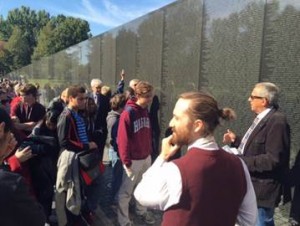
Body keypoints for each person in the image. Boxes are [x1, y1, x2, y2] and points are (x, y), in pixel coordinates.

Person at [134, 91, 257, 226]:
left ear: (197, 125)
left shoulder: (176, 170)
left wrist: (162, 157)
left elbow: (141, 194)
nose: (171, 123)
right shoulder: (239, 165)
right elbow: (249, 220)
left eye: (177, 118)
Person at [223, 82, 290, 226]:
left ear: (264, 101)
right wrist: (236, 140)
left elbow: (273, 159)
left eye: (252, 96)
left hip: (262, 190)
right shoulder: (262, 118)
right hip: (252, 186)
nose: (249, 99)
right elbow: (257, 145)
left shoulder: (277, 121)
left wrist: (239, 160)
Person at [56, 85, 100, 225]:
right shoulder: (66, 116)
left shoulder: (78, 114)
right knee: (72, 192)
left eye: (85, 99)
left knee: (82, 191)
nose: (83, 102)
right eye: (80, 99)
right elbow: (64, 142)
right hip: (72, 161)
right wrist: (87, 145)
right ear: (71, 99)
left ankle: (81, 215)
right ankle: (73, 219)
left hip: (81, 158)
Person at [117, 81, 155, 226]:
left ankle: (141, 211)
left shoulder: (145, 109)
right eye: (148, 96)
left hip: (145, 157)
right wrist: (126, 161)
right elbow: (123, 140)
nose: (151, 99)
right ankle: (124, 221)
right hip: (133, 160)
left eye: (151, 95)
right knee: (126, 192)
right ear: (138, 95)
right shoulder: (128, 113)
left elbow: (147, 132)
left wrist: (149, 151)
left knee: (143, 187)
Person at [0, 108, 46, 226]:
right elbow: (37, 219)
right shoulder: (10, 183)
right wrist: (12, 161)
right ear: (1, 129)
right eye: (10, 132)